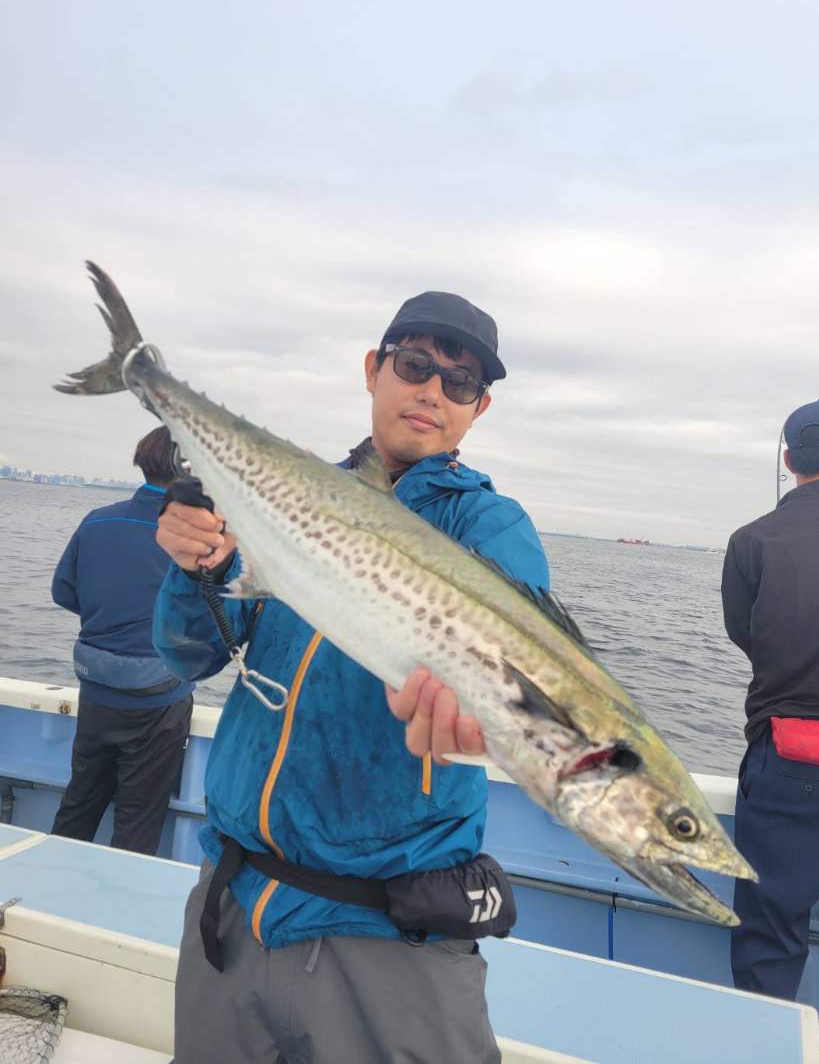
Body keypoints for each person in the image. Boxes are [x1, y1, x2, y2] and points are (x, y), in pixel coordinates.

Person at [154, 291, 549, 1064]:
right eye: (414, 365)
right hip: (232, 905)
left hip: (387, 935)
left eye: (460, 382)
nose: (432, 390)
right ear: (374, 369)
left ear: (479, 407)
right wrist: (196, 565)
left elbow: (511, 684)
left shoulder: (489, 528)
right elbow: (187, 656)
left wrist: (480, 717)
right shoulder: (289, 494)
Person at [721, 398, 819, 1000]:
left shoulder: (750, 540)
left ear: (788, 461)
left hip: (791, 764)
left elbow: (746, 635)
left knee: (768, 942)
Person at [51, 425, 194, 855]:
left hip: (97, 687)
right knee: (138, 820)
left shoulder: (97, 521)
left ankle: (45, 885)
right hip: (158, 699)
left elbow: (64, 593)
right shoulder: (192, 537)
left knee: (79, 803)